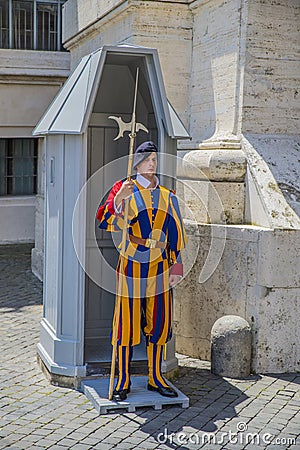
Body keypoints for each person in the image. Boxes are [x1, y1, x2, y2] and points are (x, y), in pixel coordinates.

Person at [96, 141, 187, 402]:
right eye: (147, 159)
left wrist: (176, 266)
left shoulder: (168, 194)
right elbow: (104, 221)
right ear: (136, 163)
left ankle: (155, 377)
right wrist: (120, 200)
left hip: (160, 265)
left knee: (158, 320)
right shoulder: (123, 189)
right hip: (132, 264)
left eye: (155, 159)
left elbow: (175, 233)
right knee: (126, 321)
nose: (152, 163)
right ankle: (123, 378)